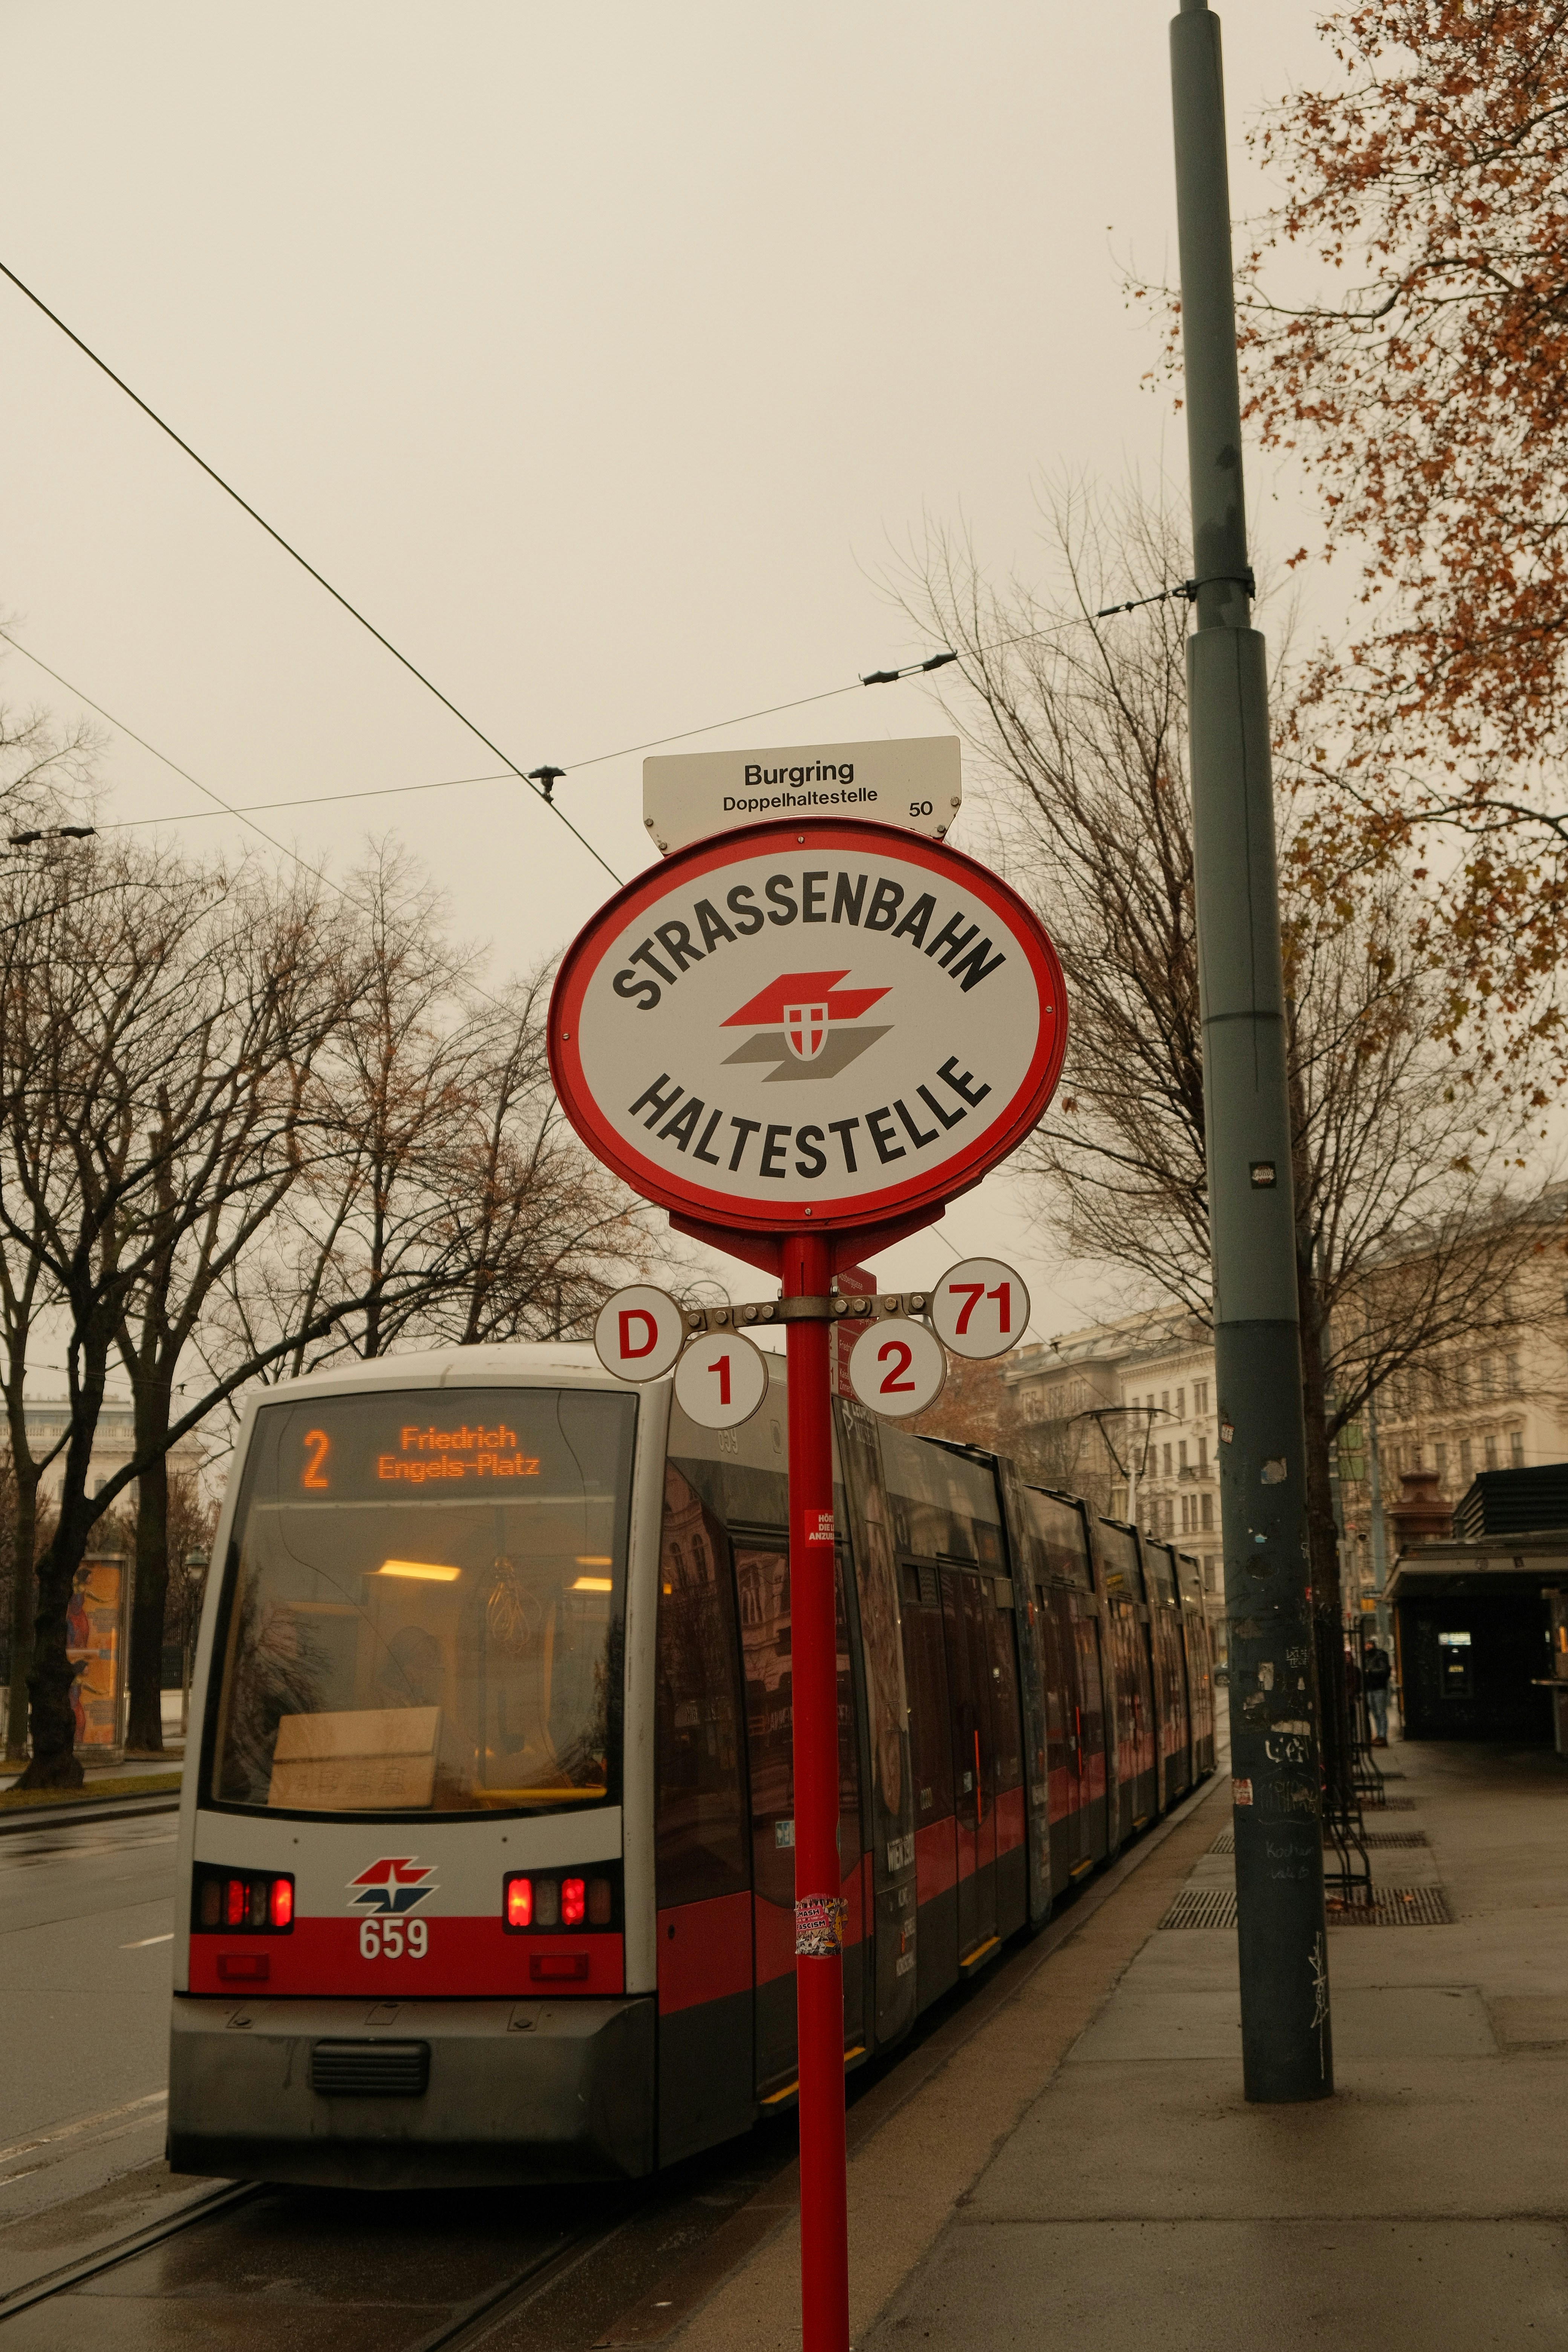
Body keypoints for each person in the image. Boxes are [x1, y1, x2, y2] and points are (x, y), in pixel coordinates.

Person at [1361, 1638, 1393, 1745]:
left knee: (1380, 1712)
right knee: (1376, 1713)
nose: (1367, 1647)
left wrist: (1370, 1672)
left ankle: (1382, 1736)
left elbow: (1384, 1671)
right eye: (1366, 1645)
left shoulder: (1379, 1655)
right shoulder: (1366, 1657)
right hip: (1370, 1688)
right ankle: (1380, 1735)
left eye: (1369, 1645)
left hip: (1379, 1687)